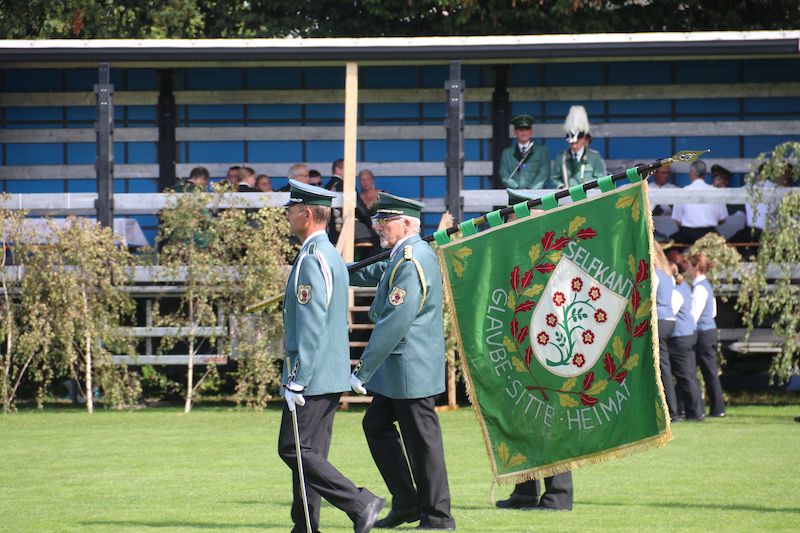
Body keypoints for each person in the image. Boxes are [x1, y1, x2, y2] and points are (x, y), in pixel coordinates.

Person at [278, 179, 385, 533]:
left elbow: (312, 323)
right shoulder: (329, 254)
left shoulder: (312, 259)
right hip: (329, 370)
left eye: (292, 210)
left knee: (293, 449)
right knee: (309, 452)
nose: (288, 215)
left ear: (307, 214)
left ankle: (360, 503)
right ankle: (305, 525)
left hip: (313, 373)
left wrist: (298, 378)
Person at [349, 193, 456, 531]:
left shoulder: (411, 260)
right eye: (379, 220)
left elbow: (394, 322)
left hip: (411, 370)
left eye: (386, 221)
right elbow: (375, 271)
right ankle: (408, 503)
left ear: (408, 224)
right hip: (402, 370)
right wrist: (333, 272)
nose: (379, 227)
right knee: (376, 425)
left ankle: (438, 516)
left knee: (422, 445)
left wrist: (363, 369)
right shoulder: (404, 255)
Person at [494, 189, 572, 512]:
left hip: (548, 350)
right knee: (523, 422)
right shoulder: (523, 253)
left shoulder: (550, 254)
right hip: (521, 348)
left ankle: (559, 494)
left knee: (549, 424)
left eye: (511, 217)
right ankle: (525, 490)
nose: (507, 223)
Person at [686, 253, 726, 418]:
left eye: (689, 266)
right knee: (708, 371)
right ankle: (715, 407)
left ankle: (717, 408)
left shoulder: (700, 288)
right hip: (708, 331)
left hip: (703, 333)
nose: (687, 269)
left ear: (696, 267)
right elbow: (713, 311)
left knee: (708, 371)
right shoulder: (705, 285)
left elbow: (694, 315)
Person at [668, 259, 705, 421]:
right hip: (688, 333)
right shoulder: (684, 287)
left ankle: (695, 412)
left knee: (684, 375)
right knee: (688, 374)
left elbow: (671, 311)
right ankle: (696, 410)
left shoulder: (676, 291)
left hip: (680, 336)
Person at [669, 161, 727, 245]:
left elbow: (678, 220)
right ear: (705, 174)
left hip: (687, 234)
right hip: (710, 235)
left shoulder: (683, 192)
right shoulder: (715, 192)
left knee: (668, 244)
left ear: (691, 173)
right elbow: (722, 220)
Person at [653, 243, 679, 422]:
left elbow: (649, 297)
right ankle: (671, 408)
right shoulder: (668, 274)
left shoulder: (655, 274)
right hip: (670, 320)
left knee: (661, 367)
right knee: (664, 365)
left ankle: (670, 410)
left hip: (659, 320)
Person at [553, 105, 606, 188]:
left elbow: (600, 179)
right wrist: (561, 187)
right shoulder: (562, 157)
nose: (574, 146)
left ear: (584, 139)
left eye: (576, 142)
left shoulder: (594, 157)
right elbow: (555, 178)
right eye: (571, 143)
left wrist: (590, 185)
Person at [498, 114, 551, 190]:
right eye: (520, 130)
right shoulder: (507, 153)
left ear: (531, 131)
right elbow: (504, 175)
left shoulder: (541, 151)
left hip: (536, 194)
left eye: (526, 129)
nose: (523, 133)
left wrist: (532, 190)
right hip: (514, 193)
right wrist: (516, 188)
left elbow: (544, 173)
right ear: (515, 131)